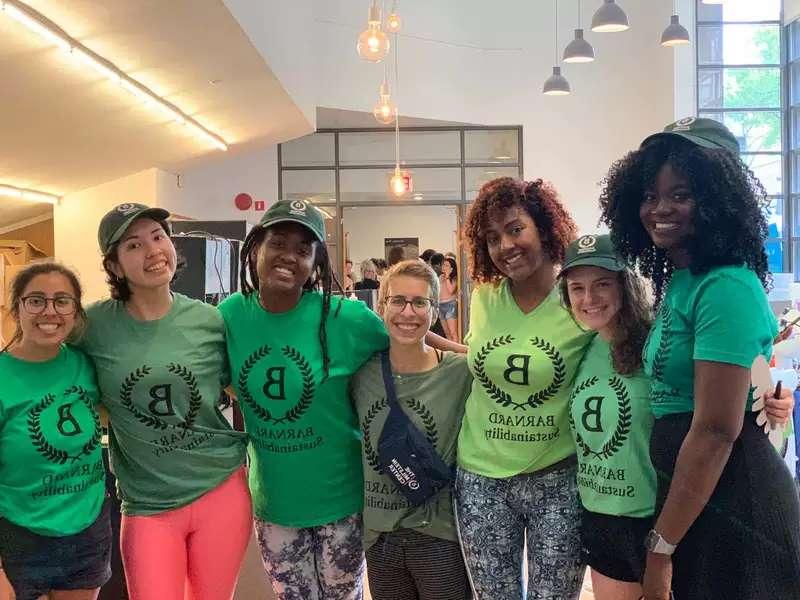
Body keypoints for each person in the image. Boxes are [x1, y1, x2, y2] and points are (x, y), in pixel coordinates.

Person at [600, 117, 800, 600]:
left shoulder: (725, 285)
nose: (659, 208)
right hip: (698, 501)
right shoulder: (685, 280)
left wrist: (660, 548)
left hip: (738, 507)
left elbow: (714, 430)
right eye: (649, 195)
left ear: (718, 201)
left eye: (681, 194)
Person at [219, 200, 390, 600]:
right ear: (256, 247)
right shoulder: (229, 316)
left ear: (316, 262)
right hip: (276, 501)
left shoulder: (343, 317)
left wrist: (468, 354)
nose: (289, 256)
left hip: (341, 501)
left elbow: (406, 339)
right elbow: (216, 375)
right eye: (279, 243)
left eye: (303, 249)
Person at [80, 203, 252, 600]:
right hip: (147, 503)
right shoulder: (92, 327)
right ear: (116, 266)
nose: (153, 250)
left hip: (220, 488)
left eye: (158, 237)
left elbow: (245, 388)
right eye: (134, 245)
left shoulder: (210, 320)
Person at [455, 177, 594, 599]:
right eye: (492, 238)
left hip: (557, 478)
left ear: (545, 228)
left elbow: (625, 364)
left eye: (515, 229)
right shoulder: (484, 296)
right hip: (480, 477)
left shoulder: (579, 299)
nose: (505, 246)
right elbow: (477, 356)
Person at [351, 260, 472, 600]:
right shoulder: (360, 372)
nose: (408, 312)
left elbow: (492, 364)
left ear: (435, 311)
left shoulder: (459, 372)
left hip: (439, 536)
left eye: (420, 303)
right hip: (380, 537)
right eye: (398, 301)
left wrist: (456, 348)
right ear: (381, 305)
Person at [0, 262, 110, 600]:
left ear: (76, 312)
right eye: (36, 300)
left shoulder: (86, 363)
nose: (50, 310)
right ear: (16, 308)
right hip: (18, 539)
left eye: (62, 301)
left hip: (86, 532)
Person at [438, 256, 459, 343]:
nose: (444, 267)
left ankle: (457, 352)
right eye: (443, 265)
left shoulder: (454, 278)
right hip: (441, 305)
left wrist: (447, 277)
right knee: (447, 333)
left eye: (446, 265)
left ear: (451, 268)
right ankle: (451, 352)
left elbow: (451, 290)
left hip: (450, 305)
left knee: (453, 332)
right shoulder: (440, 277)